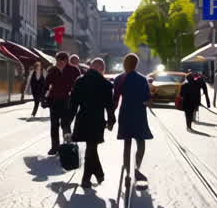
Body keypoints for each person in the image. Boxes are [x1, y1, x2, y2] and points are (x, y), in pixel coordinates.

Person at [71, 57, 115, 188]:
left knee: (91, 149)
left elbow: (73, 103)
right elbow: (109, 106)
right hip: (97, 121)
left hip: (83, 118)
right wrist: (111, 121)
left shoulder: (80, 81)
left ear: (91, 67)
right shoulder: (106, 84)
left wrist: (68, 120)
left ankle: (99, 174)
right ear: (102, 69)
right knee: (92, 148)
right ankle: (86, 179)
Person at [113, 53, 153, 186]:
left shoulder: (119, 78)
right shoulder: (142, 79)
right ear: (136, 64)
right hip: (139, 114)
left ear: (125, 63)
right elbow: (147, 99)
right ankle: (137, 167)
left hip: (125, 113)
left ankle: (127, 172)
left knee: (127, 143)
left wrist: (110, 116)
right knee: (141, 142)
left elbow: (115, 99)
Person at [44, 51, 81, 156]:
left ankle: (67, 145)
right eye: (57, 61)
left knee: (66, 125)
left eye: (61, 61)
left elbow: (79, 86)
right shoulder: (52, 70)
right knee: (54, 125)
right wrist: (44, 97)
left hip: (67, 102)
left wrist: (76, 97)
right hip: (54, 101)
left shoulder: (74, 70)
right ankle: (54, 147)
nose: (59, 63)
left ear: (66, 61)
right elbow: (47, 85)